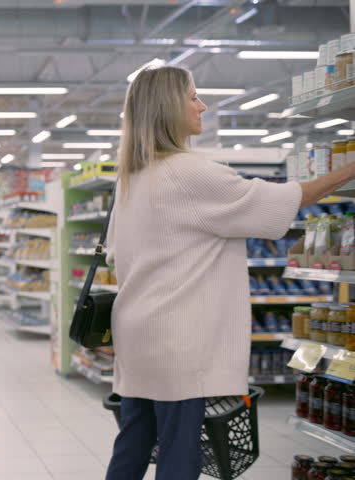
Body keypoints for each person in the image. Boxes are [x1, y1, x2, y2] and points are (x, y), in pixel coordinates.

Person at [104, 65, 355, 480]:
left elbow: (116, 256)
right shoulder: (190, 172)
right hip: (178, 341)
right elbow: (285, 200)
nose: (203, 105)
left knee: (133, 446)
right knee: (179, 455)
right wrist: (348, 169)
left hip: (139, 334)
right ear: (168, 107)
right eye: (193, 97)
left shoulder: (133, 177)